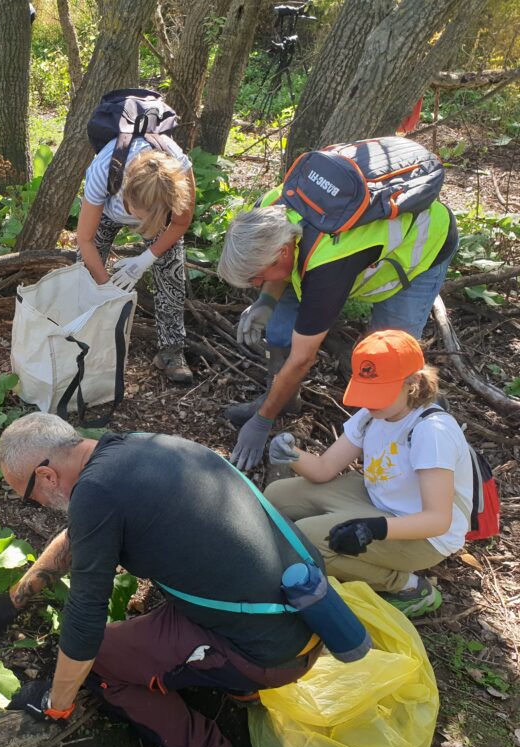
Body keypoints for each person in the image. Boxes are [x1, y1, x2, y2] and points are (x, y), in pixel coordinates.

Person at [0, 413, 322, 747]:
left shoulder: (96, 493)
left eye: (29, 498)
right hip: (308, 614)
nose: (38, 505)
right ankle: (238, 689)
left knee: (98, 662)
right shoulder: (137, 446)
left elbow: (85, 622)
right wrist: (15, 598)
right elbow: (81, 536)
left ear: (47, 476)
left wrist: (57, 702)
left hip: (270, 653)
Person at [217, 171, 459, 470]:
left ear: (282, 254)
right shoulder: (270, 208)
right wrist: (266, 300)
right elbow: (280, 261)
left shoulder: (327, 267)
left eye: (257, 279)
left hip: (420, 246)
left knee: (390, 358)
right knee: (280, 331)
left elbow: (303, 358)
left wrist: (261, 423)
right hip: (328, 253)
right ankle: (281, 398)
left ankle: (420, 435)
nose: (256, 284)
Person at [264, 330, 471, 618]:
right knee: (276, 496)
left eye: (379, 393)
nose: (371, 402)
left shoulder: (431, 431)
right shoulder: (373, 415)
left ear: (412, 383)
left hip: (423, 534)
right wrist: (293, 455)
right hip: (377, 498)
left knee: (308, 541)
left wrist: (372, 529)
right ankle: (283, 556)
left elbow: (437, 520)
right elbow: (324, 469)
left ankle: (409, 587)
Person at [77, 136, 197, 384]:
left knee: (171, 266)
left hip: (161, 219)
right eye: (137, 215)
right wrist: (107, 286)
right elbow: (85, 240)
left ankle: (171, 350)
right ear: (127, 195)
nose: (139, 223)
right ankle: (82, 339)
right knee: (84, 269)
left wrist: (146, 258)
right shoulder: (104, 170)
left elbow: (181, 222)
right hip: (107, 211)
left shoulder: (180, 172)